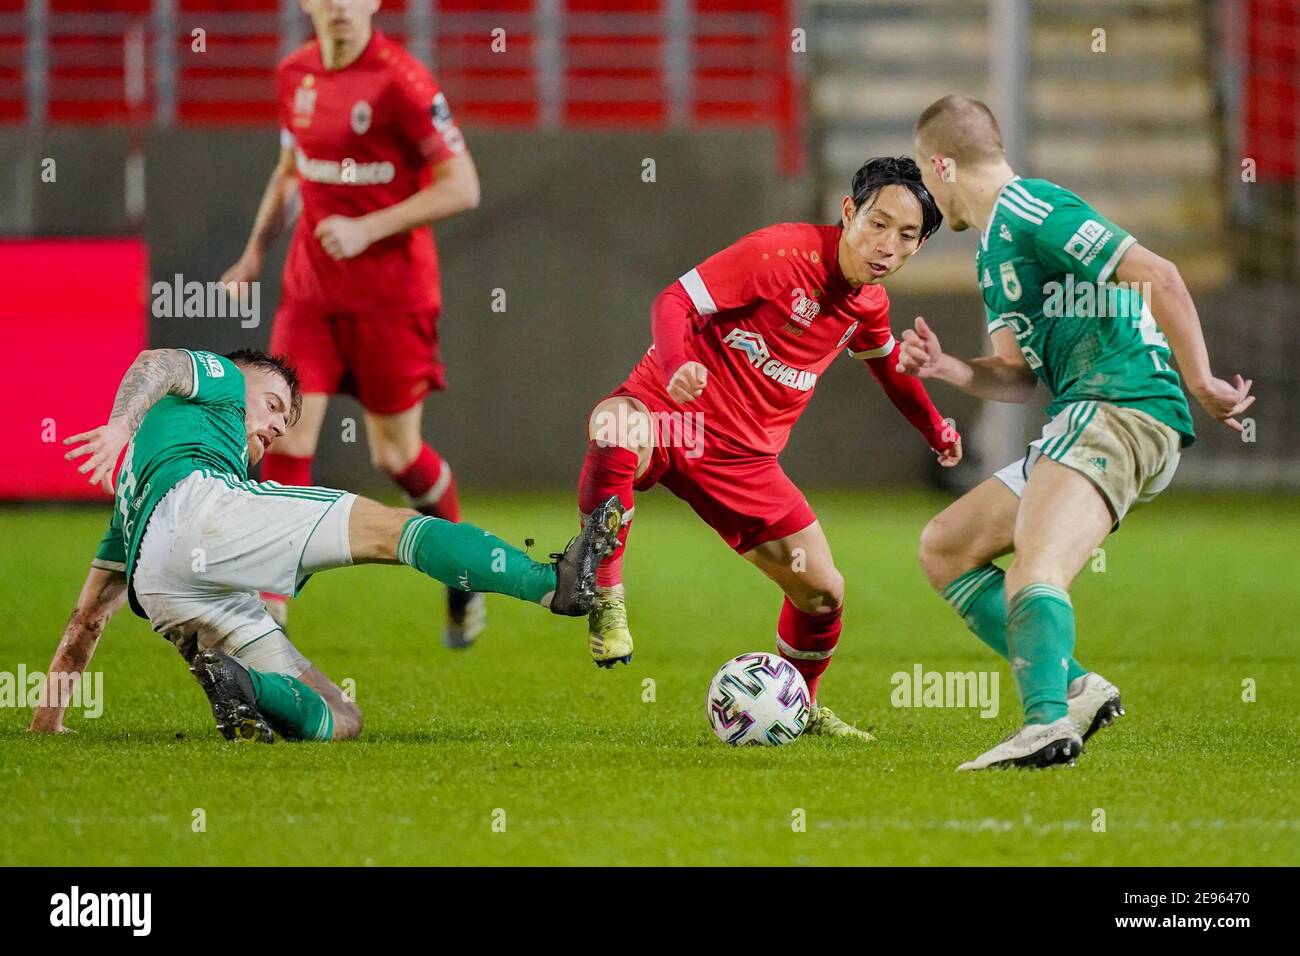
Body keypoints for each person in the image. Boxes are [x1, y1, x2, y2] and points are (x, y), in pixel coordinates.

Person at [904, 95, 1254, 770]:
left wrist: (1202, 378)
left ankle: (1044, 726)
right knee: (945, 547)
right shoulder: (991, 253)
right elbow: (1013, 375)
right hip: (1089, 413)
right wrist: (948, 366)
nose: (926, 190)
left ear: (942, 163)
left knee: (1035, 568)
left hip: (1120, 404)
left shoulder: (1032, 208)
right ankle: (1074, 689)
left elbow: (1160, 275)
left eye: (924, 172)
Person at [30, 347, 621, 742]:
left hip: (160, 584)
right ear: (243, 378)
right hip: (200, 509)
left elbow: (86, 620)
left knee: (342, 717)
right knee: (394, 530)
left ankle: (240, 687)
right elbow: (154, 362)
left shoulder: (131, 498)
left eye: (284, 424)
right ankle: (555, 585)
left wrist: (45, 726)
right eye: (273, 406)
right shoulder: (223, 378)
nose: (274, 428)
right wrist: (118, 423)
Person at [576, 157, 961, 739]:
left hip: (744, 462)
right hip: (671, 416)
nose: (888, 245)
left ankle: (800, 709)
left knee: (824, 593)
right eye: (878, 224)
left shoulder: (867, 304)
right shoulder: (779, 254)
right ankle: (604, 590)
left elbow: (889, 369)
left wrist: (936, 428)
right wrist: (679, 364)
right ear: (850, 211)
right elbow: (672, 301)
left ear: (920, 244)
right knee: (612, 428)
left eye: (907, 236)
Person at [219, 0, 485, 647]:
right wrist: (254, 251)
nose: (340, 6)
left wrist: (369, 226)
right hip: (310, 296)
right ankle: (269, 621)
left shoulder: (403, 81)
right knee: (282, 438)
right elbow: (290, 171)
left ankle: (462, 571)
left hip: (393, 300)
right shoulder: (294, 75)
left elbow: (463, 186)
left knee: (395, 454)